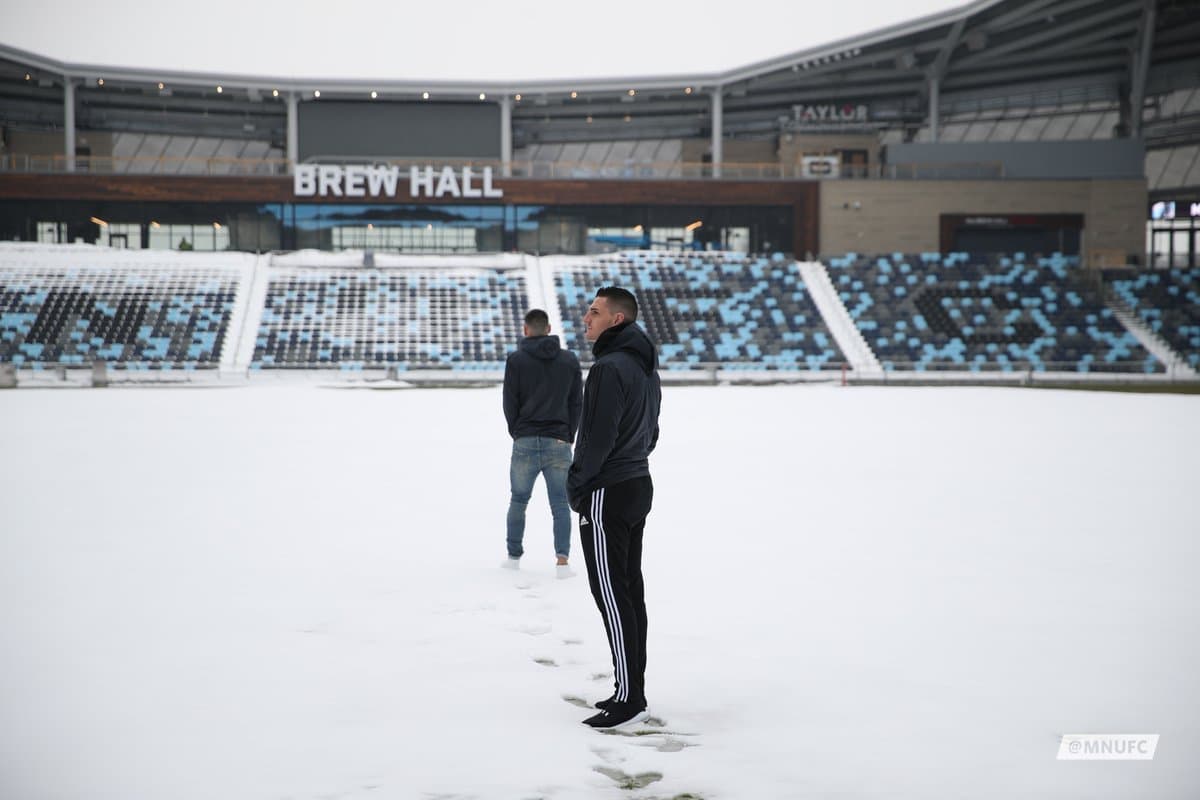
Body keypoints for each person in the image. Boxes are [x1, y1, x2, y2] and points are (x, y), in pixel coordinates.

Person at [567, 287, 661, 730]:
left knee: (612, 595)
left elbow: (594, 439)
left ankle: (628, 696)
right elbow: (652, 432)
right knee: (628, 593)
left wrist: (577, 487)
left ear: (617, 320)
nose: (585, 318)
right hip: (638, 483)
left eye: (594, 312)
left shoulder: (608, 368)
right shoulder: (644, 366)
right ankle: (631, 689)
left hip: (609, 489)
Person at [503, 308, 583, 578]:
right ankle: (562, 562)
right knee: (560, 504)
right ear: (548, 329)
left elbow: (509, 402)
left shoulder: (515, 360)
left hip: (525, 438)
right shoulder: (569, 360)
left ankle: (513, 558)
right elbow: (577, 402)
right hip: (559, 440)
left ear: (526, 330)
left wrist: (518, 431)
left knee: (518, 500)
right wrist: (568, 434)